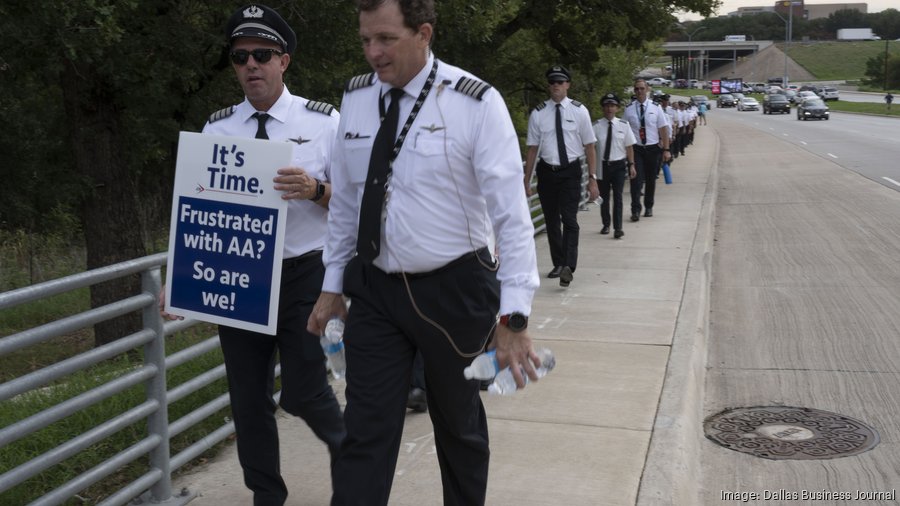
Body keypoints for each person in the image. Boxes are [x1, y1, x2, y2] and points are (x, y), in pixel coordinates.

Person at [307, 1, 541, 505]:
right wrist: (331, 287)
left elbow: (511, 217)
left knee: (458, 429)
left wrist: (514, 316)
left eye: (386, 39)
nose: (373, 52)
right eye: (365, 39)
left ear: (424, 34)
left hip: (455, 290)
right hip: (375, 289)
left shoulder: (474, 103)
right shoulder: (356, 99)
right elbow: (346, 202)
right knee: (364, 430)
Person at [161, 5, 345, 505]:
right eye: (240, 57)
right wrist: (179, 274)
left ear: (283, 61)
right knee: (247, 399)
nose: (251, 65)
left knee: (305, 392)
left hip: (306, 272)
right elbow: (200, 209)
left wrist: (314, 188)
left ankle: (357, 464)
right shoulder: (218, 129)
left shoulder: (323, 122)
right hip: (238, 276)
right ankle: (267, 495)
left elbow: (354, 203)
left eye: (262, 55)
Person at [524, 65, 598, 287]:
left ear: (568, 85)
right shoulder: (538, 113)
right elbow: (532, 149)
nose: (556, 86)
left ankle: (569, 265)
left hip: (571, 171)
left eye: (560, 82)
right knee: (551, 220)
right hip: (547, 171)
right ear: (549, 85)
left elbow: (590, 146)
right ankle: (558, 263)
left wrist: (592, 178)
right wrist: (526, 180)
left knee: (569, 219)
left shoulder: (579, 111)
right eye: (552, 82)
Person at [623, 79, 671, 221]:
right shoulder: (629, 109)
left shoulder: (656, 108)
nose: (639, 91)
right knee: (635, 180)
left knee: (651, 179)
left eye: (642, 88)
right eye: (637, 89)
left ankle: (648, 206)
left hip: (652, 148)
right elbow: (624, 129)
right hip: (636, 149)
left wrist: (666, 149)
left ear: (647, 89)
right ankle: (635, 209)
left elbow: (663, 129)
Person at [592, 93, 636, 239]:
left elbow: (629, 146)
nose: (609, 109)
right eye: (606, 106)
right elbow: (590, 148)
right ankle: (606, 224)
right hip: (602, 166)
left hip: (618, 165)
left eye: (612, 106)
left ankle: (618, 228)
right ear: (603, 108)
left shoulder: (624, 125)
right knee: (603, 197)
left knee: (618, 197)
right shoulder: (596, 126)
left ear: (617, 108)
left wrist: (631, 165)